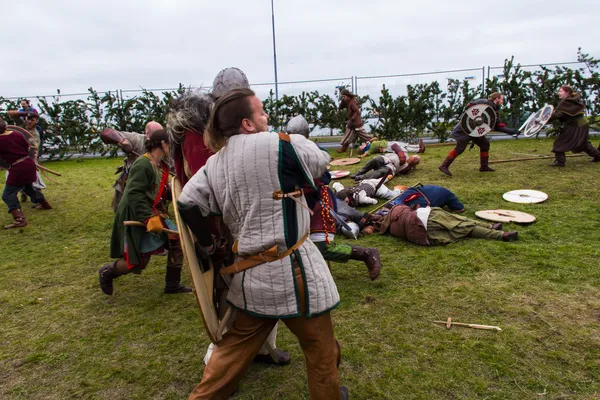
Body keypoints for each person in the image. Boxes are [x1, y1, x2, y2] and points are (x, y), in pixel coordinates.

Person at [178, 89, 347, 399]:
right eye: (262, 112)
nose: (267, 117)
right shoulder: (282, 144)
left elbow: (187, 202)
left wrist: (209, 244)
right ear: (247, 123)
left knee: (231, 353)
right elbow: (321, 160)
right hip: (297, 276)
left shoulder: (214, 164)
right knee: (320, 350)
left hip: (250, 279)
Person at [167, 68, 290, 367]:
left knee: (262, 287)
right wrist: (212, 242)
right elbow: (205, 192)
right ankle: (217, 365)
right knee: (229, 300)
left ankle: (262, 349)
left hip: (236, 223)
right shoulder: (199, 134)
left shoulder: (220, 129)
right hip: (217, 230)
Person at [98, 129, 192, 295]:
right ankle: (107, 272)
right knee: (139, 260)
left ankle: (172, 284)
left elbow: (159, 190)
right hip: (136, 213)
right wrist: (148, 218)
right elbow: (134, 194)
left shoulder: (160, 165)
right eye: (170, 144)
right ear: (163, 144)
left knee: (176, 240)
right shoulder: (143, 164)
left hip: (153, 211)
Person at [288, 115, 382, 281]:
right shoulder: (288, 150)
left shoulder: (313, 151)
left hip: (316, 203)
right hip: (298, 203)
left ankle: (366, 253)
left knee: (323, 247)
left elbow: (323, 177)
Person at [438, 92, 519, 176]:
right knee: (460, 149)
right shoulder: (484, 102)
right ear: (497, 98)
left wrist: (512, 131)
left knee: (485, 145)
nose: (502, 101)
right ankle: (444, 166)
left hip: (475, 131)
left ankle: (484, 167)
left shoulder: (494, 111)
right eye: (502, 99)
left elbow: (497, 126)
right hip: (464, 129)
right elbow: (468, 107)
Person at [371, 203, 518, 246]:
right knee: (459, 223)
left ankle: (496, 231)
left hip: (422, 238)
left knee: (460, 229)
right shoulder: (398, 209)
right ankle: (494, 231)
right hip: (423, 220)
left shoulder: (389, 228)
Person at [0, 117, 52, 229]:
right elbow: (28, 147)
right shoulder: (16, 134)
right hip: (28, 164)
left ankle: (19, 219)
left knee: (7, 195)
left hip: (18, 168)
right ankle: (44, 203)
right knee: (28, 188)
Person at [100, 121, 163, 212]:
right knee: (122, 212)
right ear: (148, 134)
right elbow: (106, 133)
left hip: (153, 185)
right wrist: (123, 141)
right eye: (157, 134)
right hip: (130, 183)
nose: (160, 138)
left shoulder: (164, 146)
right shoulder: (137, 139)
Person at [547, 85, 600, 166]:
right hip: (582, 124)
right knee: (583, 144)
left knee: (560, 142)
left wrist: (546, 118)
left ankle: (560, 162)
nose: (559, 93)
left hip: (575, 125)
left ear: (567, 92)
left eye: (561, 91)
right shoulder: (574, 100)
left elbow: (559, 115)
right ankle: (598, 156)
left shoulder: (567, 102)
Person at [351, 143, 420, 181]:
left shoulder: (409, 168)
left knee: (381, 172)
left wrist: (411, 165)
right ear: (411, 156)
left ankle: (361, 177)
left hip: (391, 167)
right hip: (386, 158)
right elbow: (394, 145)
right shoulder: (405, 153)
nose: (411, 160)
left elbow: (403, 172)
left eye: (414, 161)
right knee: (374, 160)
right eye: (413, 158)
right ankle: (358, 173)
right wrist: (401, 155)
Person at [387, 184, 465, 212]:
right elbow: (460, 209)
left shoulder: (443, 193)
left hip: (412, 193)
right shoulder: (448, 195)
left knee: (396, 205)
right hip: (415, 198)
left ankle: (389, 209)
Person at [332, 176, 401, 207]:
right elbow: (335, 184)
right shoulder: (341, 192)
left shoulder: (362, 199)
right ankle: (387, 177)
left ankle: (398, 189)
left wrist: (367, 201)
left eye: (346, 202)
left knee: (393, 195)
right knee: (379, 180)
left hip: (375, 187)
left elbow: (375, 201)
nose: (345, 204)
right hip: (364, 182)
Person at [360, 137, 425, 158]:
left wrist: (370, 140)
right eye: (361, 146)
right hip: (387, 147)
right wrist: (362, 156)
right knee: (401, 148)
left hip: (388, 142)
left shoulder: (371, 143)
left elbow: (375, 138)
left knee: (402, 144)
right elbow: (367, 153)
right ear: (363, 148)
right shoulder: (370, 149)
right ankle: (419, 150)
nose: (362, 144)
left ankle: (417, 146)